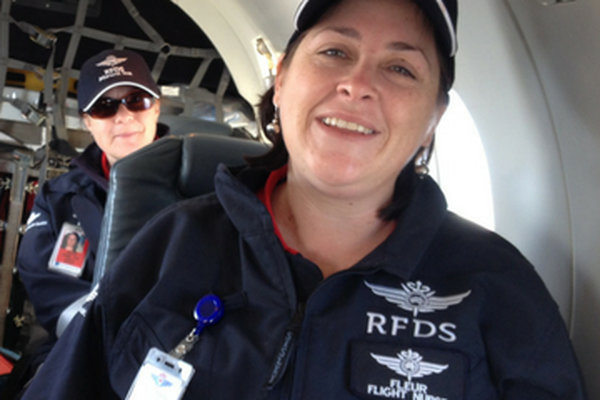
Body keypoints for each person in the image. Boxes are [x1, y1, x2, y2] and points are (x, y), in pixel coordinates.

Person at [21, 0, 587, 399]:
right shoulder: (171, 245)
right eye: (335, 51)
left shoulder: (496, 287)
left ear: (434, 118)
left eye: (400, 67)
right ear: (283, 79)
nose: (358, 84)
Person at [8, 49, 167, 397]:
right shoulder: (58, 198)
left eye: (136, 100)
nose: (123, 116)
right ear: (87, 121)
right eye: (105, 107)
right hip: (79, 348)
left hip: (181, 351)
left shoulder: (207, 186)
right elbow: (47, 286)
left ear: (156, 106)